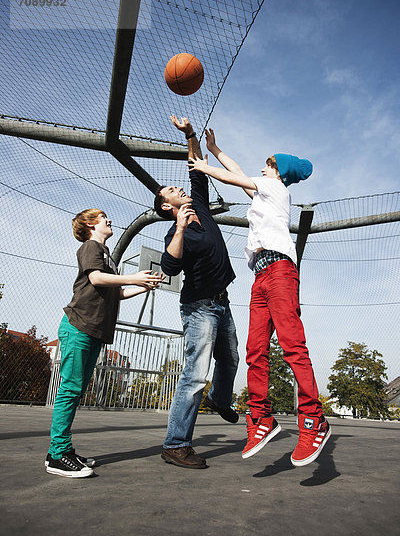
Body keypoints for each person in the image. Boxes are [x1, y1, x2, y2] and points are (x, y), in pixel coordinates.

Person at [188, 129, 331, 467]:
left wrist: (203, 166)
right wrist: (215, 148)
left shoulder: (275, 188)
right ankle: (261, 418)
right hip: (261, 277)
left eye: (268, 166)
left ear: (278, 172)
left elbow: (233, 178)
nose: (262, 170)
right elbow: (238, 175)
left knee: (293, 346)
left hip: (280, 272)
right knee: (255, 350)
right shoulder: (263, 193)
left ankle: (314, 420)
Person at [46, 208, 164, 478]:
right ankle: (57, 454)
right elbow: (96, 278)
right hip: (78, 326)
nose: (109, 219)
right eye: (102, 217)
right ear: (90, 225)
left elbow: (116, 291)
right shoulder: (91, 246)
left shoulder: (107, 256)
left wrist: (144, 285)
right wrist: (135, 276)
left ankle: (62, 449)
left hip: (94, 330)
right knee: (70, 389)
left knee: (76, 391)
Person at [154, 116, 239, 470]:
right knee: (194, 375)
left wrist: (190, 135)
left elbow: (196, 170)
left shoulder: (200, 206)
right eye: (171, 193)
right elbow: (170, 269)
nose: (179, 190)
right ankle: (176, 444)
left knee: (231, 359)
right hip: (199, 308)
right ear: (165, 207)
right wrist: (178, 227)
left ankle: (221, 400)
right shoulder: (178, 234)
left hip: (222, 302)